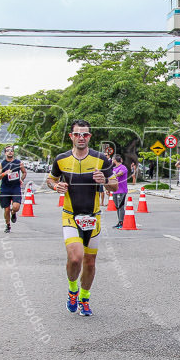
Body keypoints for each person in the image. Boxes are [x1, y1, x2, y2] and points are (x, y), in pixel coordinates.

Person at [47, 120, 114, 317]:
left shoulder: (101, 159)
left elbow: (115, 185)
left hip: (93, 218)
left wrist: (105, 181)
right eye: (77, 134)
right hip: (70, 216)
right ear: (71, 136)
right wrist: (55, 186)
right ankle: (72, 290)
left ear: (90, 137)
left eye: (85, 134)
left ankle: (84, 298)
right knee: (76, 258)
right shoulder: (61, 159)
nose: (81, 138)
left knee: (90, 263)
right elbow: (51, 179)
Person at [0, 146, 27, 233]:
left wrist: (22, 179)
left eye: (11, 151)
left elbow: (24, 172)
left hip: (15, 187)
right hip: (5, 188)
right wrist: (4, 174)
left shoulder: (18, 162)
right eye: (8, 151)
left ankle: (13, 213)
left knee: (16, 207)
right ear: (5, 153)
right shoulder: (1, 164)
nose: (10, 152)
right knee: (6, 209)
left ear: (13, 153)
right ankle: (8, 225)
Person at [110, 154, 129, 229]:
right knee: (117, 207)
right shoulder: (114, 168)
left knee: (120, 207)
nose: (111, 161)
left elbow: (120, 173)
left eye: (112, 160)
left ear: (115, 160)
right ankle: (119, 221)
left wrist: (114, 175)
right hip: (115, 191)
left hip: (122, 190)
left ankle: (121, 222)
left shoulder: (122, 167)